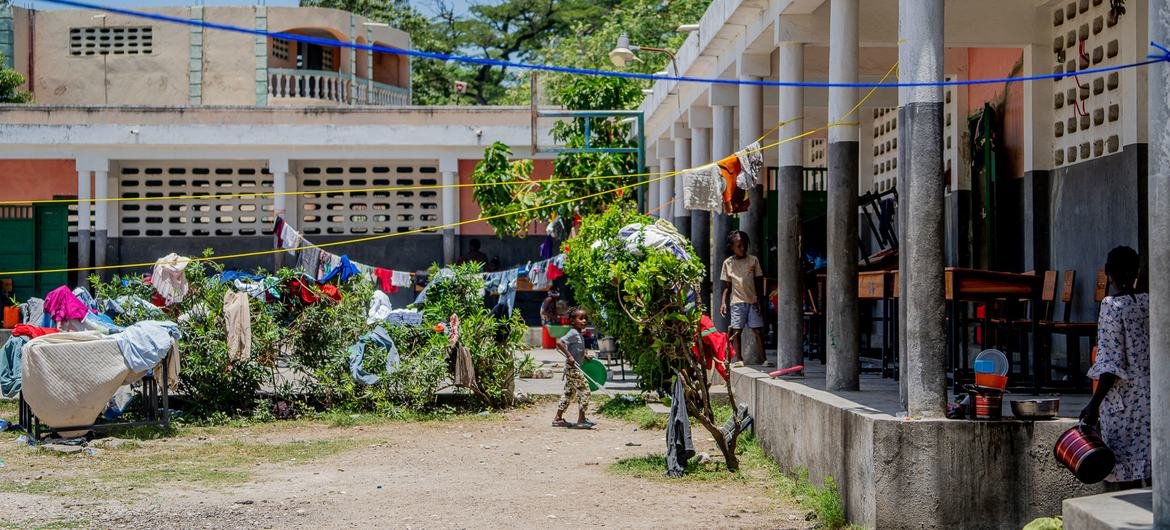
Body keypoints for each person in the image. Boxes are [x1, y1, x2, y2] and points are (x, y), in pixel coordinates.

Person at [1081, 245, 1150, 490]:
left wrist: (1094, 404)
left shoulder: (1111, 306)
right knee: (1154, 468)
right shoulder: (1150, 302)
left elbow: (1111, 364)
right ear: (1137, 272)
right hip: (1152, 398)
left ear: (1108, 273)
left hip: (1125, 403)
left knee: (1127, 475)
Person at [719, 230, 767, 366]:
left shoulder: (753, 260)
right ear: (732, 247)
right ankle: (739, 359)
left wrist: (759, 300)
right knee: (737, 331)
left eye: (745, 245)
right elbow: (727, 286)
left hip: (753, 301)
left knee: (758, 330)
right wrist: (723, 302)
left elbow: (758, 282)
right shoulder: (728, 263)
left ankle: (764, 359)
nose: (743, 248)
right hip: (737, 302)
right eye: (739, 246)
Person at [552, 308, 595, 429]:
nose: (584, 321)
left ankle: (558, 418)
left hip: (572, 368)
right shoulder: (573, 332)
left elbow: (577, 348)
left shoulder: (578, 333)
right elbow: (559, 342)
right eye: (580, 318)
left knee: (569, 393)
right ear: (572, 321)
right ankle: (581, 420)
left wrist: (584, 355)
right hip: (573, 369)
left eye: (585, 318)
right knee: (585, 391)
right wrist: (569, 356)